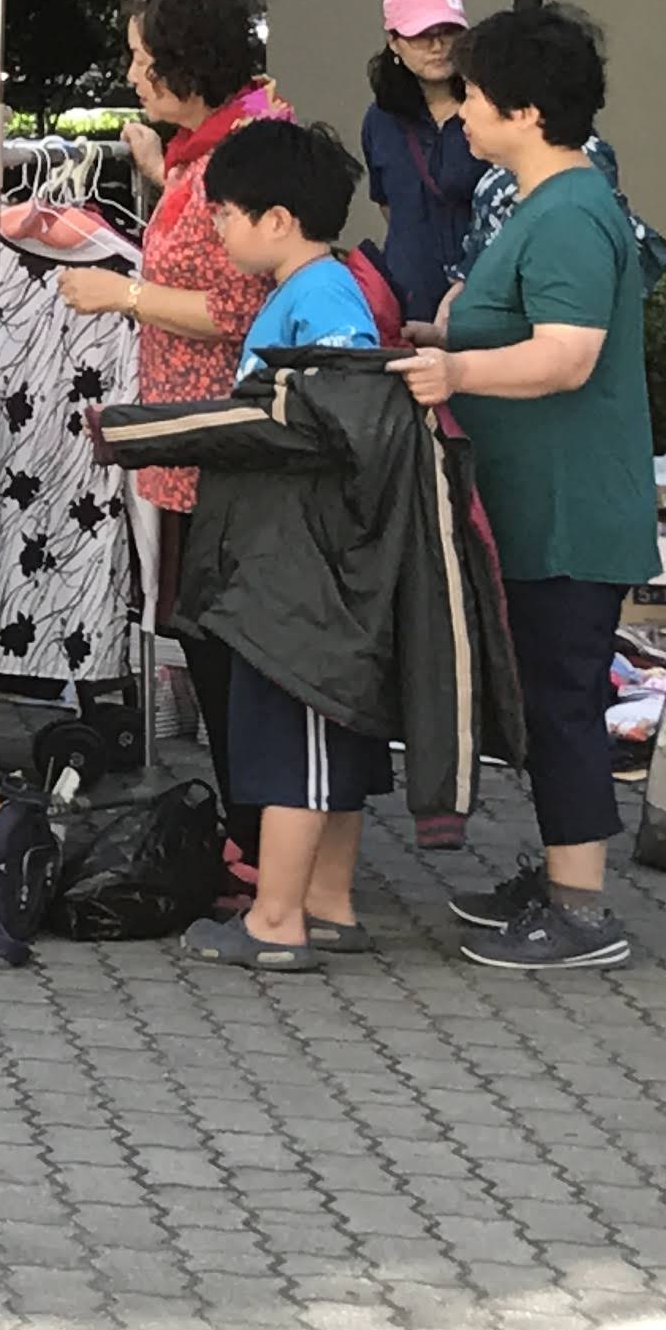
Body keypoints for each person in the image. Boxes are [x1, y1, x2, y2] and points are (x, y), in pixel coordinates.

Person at [391, 2, 657, 975]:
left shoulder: (573, 212)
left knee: (563, 702)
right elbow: (514, 325)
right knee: (546, 701)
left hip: (568, 512)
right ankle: (557, 880)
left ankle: (581, 910)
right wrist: (439, 340)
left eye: (475, 94)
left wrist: (457, 371)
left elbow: (567, 354)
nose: (461, 110)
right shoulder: (544, 205)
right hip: (537, 507)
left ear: (529, 112)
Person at [54, 0, 286, 867]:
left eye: (142, 57)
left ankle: (257, 844)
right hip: (195, 445)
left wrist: (121, 295)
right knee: (210, 645)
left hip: (219, 447)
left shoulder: (241, 157)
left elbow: (237, 307)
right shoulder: (213, 148)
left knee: (225, 651)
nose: (131, 73)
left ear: (186, 60)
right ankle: (252, 837)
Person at [175, 119, 388, 972]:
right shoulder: (306, 288)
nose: (217, 230)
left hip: (303, 557)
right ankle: (326, 902)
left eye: (224, 214)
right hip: (306, 553)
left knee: (295, 737)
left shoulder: (323, 297)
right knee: (329, 734)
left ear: (278, 219)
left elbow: (336, 413)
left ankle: (276, 920)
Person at [361, 0, 482, 334]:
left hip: (484, 299)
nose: (437, 46)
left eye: (449, 32)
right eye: (421, 35)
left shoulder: (492, 109)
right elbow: (387, 204)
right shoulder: (380, 119)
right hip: (408, 302)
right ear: (394, 42)